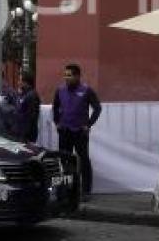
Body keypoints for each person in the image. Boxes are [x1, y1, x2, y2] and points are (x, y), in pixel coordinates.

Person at [53, 63, 102, 200]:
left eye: (69, 75)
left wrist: (88, 124)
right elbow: (55, 107)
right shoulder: (60, 90)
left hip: (80, 131)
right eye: (65, 75)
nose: (66, 78)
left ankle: (86, 191)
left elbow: (97, 108)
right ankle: (66, 190)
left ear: (77, 76)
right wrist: (57, 123)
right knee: (64, 162)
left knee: (84, 160)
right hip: (65, 131)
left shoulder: (86, 90)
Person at [14, 71, 41, 143]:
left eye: (20, 80)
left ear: (26, 82)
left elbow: (32, 116)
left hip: (27, 134)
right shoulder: (22, 94)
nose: (18, 82)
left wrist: (26, 133)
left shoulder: (32, 95)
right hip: (19, 131)